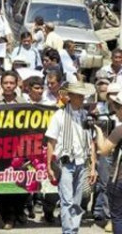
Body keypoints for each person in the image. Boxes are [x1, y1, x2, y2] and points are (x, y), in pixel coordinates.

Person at [46, 82, 97, 234]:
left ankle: (73, 230)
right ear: (71, 96)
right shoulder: (59, 115)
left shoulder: (86, 116)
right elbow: (51, 141)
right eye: (79, 95)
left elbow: (91, 143)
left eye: (83, 96)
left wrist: (93, 167)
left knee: (76, 201)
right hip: (66, 163)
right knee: (67, 201)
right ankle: (69, 232)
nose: (82, 98)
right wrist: (49, 165)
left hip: (82, 162)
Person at [94, 91, 122, 233]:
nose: (115, 111)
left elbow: (103, 151)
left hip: (120, 179)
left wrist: (100, 132)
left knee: (117, 217)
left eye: (117, 107)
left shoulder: (120, 130)